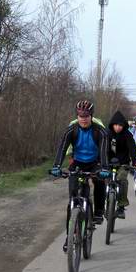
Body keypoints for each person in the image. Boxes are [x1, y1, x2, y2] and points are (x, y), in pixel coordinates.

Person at [51, 101, 110, 248]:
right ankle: (69, 237)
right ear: (77, 116)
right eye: (80, 116)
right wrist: (57, 166)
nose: (83, 119)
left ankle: (98, 211)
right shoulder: (71, 130)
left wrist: (104, 168)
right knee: (72, 200)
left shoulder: (100, 131)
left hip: (95, 162)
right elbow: (62, 148)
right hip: (77, 162)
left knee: (100, 181)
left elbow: (103, 151)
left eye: (86, 116)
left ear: (91, 116)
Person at [106, 110, 136, 219]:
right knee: (102, 181)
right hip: (107, 162)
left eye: (120, 125)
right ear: (112, 124)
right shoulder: (107, 133)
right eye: (116, 125)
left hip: (123, 163)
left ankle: (121, 206)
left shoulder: (127, 134)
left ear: (124, 125)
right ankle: (102, 205)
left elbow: (132, 149)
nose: (118, 127)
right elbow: (101, 149)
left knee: (122, 180)